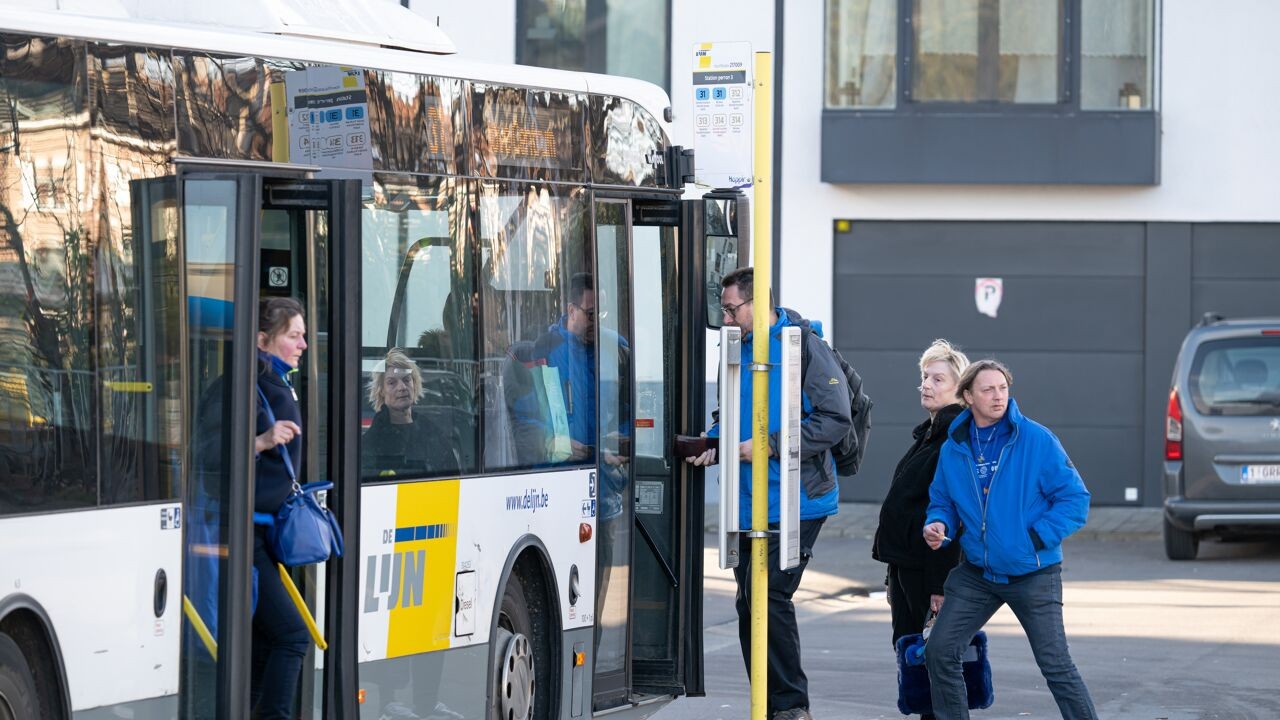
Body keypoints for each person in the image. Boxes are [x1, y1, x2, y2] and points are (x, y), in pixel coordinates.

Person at [685, 267, 851, 720]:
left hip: (798, 502)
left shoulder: (803, 346)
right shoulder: (738, 349)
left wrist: (769, 446)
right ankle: (771, 703)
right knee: (749, 603)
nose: (726, 318)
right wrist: (715, 443)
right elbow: (734, 414)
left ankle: (791, 706)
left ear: (758, 304)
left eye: (731, 309)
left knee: (770, 597)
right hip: (750, 501)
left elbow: (835, 419)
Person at [922, 359, 1097, 720]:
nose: (998, 396)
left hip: (1032, 571)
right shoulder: (954, 447)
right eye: (988, 389)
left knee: (1056, 665)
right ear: (968, 396)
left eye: (1002, 388)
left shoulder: (1036, 440)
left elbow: (1075, 499)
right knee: (939, 650)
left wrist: (1033, 538)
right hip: (978, 572)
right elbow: (943, 501)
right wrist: (938, 524)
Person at [872, 340, 969, 680]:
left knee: (928, 659)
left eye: (938, 379)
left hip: (927, 572)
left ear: (961, 390)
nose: (926, 385)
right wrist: (892, 573)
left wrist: (940, 586)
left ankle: (937, 708)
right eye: (925, 377)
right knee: (910, 652)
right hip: (907, 566)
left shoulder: (953, 441)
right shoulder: (929, 435)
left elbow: (953, 517)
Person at [251, 296, 313, 720]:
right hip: (248, 535)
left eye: (303, 335)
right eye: (294, 335)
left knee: (264, 643)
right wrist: (260, 441)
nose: (304, 345)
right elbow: (208, 452)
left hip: (265, 535)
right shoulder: (248, 385)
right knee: (292, 636)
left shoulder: (275, 381)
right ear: (262, 340)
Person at [362, 348, 459, 478]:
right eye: (392, 383)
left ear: (415, 384)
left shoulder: (432, 433)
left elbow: (452, 476)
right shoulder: (372, 441)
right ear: (381, 391)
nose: (402, 387)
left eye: (407, 380)